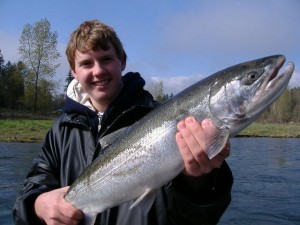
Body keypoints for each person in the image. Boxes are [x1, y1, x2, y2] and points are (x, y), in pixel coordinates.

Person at [13, 20, 233, 225]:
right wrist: (38, 205)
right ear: (74, 72)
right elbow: (31, 190)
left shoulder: (170, 121)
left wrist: (198, 184)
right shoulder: (61, 130)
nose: (98, 70)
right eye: (86, 63)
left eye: (106, 59)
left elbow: (198, 218)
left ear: (122, 62)